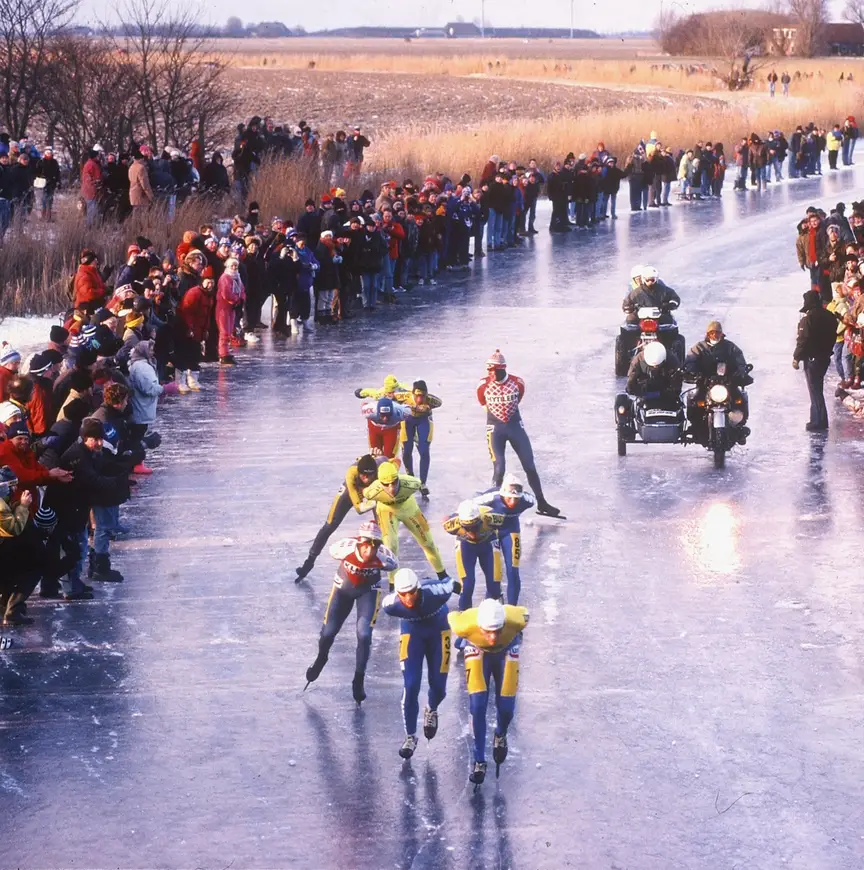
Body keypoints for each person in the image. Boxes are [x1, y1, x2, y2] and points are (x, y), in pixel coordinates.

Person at [303, 521, 398, 705]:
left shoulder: (385, 558)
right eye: (366, 545)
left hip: (368, 592)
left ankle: (358, 679)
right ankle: (322, 657)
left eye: (374, 546)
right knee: (328, 633)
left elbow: (394, 565)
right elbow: (331, 549)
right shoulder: (342, 548)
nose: (369, 551)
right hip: (342, 591)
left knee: (364, 635)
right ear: (358, 542)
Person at [448, 598, 529, 785]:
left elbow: (525, 611)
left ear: (504, 625)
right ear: (478, 625)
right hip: (477, 651)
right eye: (487, 632)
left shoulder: (517, 619)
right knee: (477, 706)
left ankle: (500, 734)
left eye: (497, 631)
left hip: (507, 651)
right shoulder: (463, 624)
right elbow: (451, 615)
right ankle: (479, 759)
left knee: (507, 707)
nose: (492, 638)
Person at [381, 568, 455, 760]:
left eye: (412, 592)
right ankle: (410, 736)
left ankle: (431, 708)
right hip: (412, 633)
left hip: (439, 631)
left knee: (439, 687)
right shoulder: (390, 604)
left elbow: (450, 582)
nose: (408, 598)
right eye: (403, 594)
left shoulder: (437, 592)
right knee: (411, 685)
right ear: (397, 593)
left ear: (419, 588)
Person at [476, 349, 560, 517]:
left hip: (514, 426)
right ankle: (495, 507)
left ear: (502, 369)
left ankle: (541, 502)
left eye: (492, 370)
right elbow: (483, 403)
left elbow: (518, 397)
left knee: (529, 465)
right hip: (495, 429)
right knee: (499, 468)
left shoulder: (517, 383)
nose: (489, 373)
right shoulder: (483, 385)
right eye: (488, 370)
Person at [295, 454, 388, 581]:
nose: (366, 479)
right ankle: (309, 561)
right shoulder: (351, 473)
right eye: (363, 476)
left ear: (375, 473)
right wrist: (375, 500)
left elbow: (391, 462)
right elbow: (359, 508)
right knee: (330, 524)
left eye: (370, 476)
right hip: (352, 491)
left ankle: (382, 562)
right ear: (359, 473)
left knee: (383, 527)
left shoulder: (382, 466)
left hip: (373, 490)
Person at [361, 461, 448, 589]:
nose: (391, 488)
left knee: (428, 542)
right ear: (380, 483)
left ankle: (443, 576)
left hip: (409, 508)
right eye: (386, 484)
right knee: (391, 547)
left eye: (394, 482)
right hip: (387, 511)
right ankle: (393, 584)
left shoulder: (413, 483)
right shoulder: (372, 492)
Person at [474, 473, 534, 605]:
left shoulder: (528, 500)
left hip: (511, 533)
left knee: (513, 570)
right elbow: (470, 506)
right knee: (494, 571)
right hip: (492, 533)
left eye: (516, 499)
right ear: (502, 495)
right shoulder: (490, 497)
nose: (513, 502)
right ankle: (492, 598)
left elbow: (535, 499)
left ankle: (512, 605)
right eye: (509, 499)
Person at [443, 499, 503, 611]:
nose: (472, 532)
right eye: (467, 528)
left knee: (494, 584)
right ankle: (464, 613)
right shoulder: (451, 524)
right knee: (467, 585)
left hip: (488, 543)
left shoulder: (492, 517)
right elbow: (445, 520)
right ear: (460, 523)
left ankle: (492, 609)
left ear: (480, 520)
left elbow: (507, 526)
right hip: (466, 545)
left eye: (475, 526)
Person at [793, 290, 838, 432]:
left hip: (812, 359)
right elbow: (833, 336)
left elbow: (803, 339)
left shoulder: (808, 319)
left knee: (815, 391)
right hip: (824, 358)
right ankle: (818, 419)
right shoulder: (830, 316)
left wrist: (796, 357)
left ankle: (818, 421)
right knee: (818, 388)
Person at [396, 380, 440, 496]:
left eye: (423, 396)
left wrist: (427, 407)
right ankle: (410, 477)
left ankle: (423, 483)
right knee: (407, 449)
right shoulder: (404, 396)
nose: (420, 399)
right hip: (408, 420)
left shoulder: (431, 400)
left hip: (423, 420)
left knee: (424, 451)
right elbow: (385, 396)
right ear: (412, 393)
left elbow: (440, 402)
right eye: (417, 396)